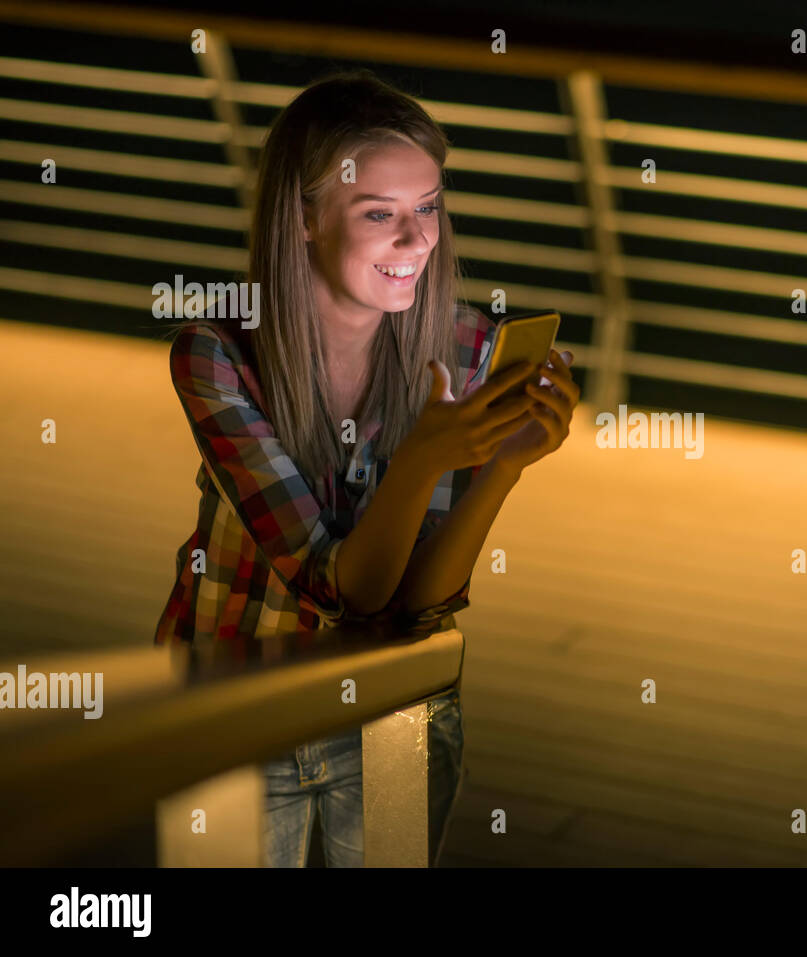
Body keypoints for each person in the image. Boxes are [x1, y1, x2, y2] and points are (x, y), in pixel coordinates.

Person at [152, 70, 578, 866]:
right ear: (304, 217)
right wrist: (425, 458)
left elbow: (422, 600)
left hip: (396, 712)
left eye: (428, 208)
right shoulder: (217, 358)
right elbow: (344, 589)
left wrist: (504, 468)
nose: (418, 242)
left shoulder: (466, 349)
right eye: (380, 213)